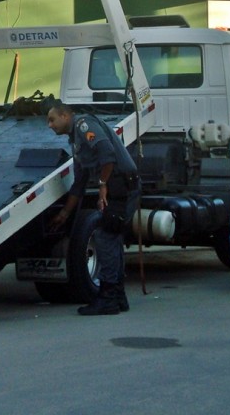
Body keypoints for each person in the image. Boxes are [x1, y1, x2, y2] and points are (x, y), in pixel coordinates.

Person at [47, 103, 140, 315]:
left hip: (120, 186)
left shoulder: (83, 125)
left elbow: (107, 153)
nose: (49, 125)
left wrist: (102, 185)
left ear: (65, 115)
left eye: (52, 119)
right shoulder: (76, 141)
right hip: (118, 185)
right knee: (113, 238)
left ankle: (108, 298)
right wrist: (64, 214)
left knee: (105, 237)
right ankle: (118, 297)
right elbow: (79, 183)